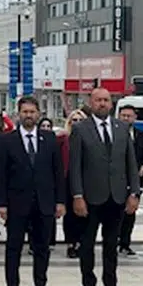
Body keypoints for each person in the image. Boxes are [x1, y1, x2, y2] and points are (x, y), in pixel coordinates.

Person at [69, 88, 141, 286]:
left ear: (112, 103)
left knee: (111, 245)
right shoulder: (81, 129)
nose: (102, 103)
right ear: (91, 103)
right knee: (88, 244)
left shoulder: (121, 128)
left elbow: (131, 164)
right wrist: (77, 195)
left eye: (106, 100)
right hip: (90, 197)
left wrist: (134, 193)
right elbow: (75, 167)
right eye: (98, 100)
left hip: (116, 196)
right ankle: (88, 285)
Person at [0, 95, 65, 286]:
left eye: (32, 112)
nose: (28, 116)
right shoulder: (7, 140)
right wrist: (2, 204)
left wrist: (60, 201)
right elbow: (1, 175)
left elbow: (58, 172)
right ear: (18, 114)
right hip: (17, 203)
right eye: (25, 112)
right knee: (14, 247)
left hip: (44, 203)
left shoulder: (49, 139)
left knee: (42, 247)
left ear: (38, 114)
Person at [117, 104, 143, 258]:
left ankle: (126, 243)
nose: (126, 118)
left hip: (136, 179)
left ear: (135, 118)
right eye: (123, 115)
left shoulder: (142, 135)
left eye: (129, 116)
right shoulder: (114, 134)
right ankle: (115, 240)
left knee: (131, 211)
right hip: (117, 179)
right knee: (116, 212)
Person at [60, 110, 87, 259]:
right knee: (70, 214)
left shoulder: (89, 139)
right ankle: (71, 243)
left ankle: (81, 242)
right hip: (68, 179)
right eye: (73, 121)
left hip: (86, 180)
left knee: (84, 214)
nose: (77, 124)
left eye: (80, 120)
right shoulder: (64, 139)